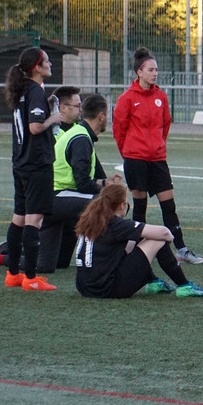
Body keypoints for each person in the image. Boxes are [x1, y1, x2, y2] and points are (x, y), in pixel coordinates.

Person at [113, 47, 203, 265]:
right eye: (151, 70)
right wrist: (129, 153)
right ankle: (136, 249)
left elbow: (165, 124)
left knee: (168, 205)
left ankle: (181, 249)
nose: (155, 73)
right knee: (140, 205)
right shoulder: (127, 98)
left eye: (156, 70)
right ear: (139, 72)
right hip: (135, 159)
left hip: (157, 159)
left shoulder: (160, 96)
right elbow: (119, 129)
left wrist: (158, 145)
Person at [74, 183, 203, 299]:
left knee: (136, 240)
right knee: (158, 240)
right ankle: (184, 285)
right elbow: (163, 233)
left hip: (85, 288)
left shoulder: (92, 221)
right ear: (122, 205)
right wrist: (169, 237)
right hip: (107, 290)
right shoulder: (116, 224)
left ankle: (152, 281)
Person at [37, 93, 123, 273]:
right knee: (109, 203)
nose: (108, 118)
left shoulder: (81, 134)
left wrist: (104, 182)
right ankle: (111, 256)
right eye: (108, 114)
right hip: (57, 198)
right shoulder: (81, 139)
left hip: (57, 197)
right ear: (101, 116)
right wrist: (106, 190)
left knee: (50, 264)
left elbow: (81, 180)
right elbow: (83, 185)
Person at [2, 47, 61, 291]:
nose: (50, 65)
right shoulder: (35, 90)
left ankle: (13, 273)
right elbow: (35, 127)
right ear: (37, 67)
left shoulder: (23, 90)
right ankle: (31, 278)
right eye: (46, 61)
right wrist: (53, 118)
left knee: (19, 217)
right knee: (34, 219)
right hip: (36, 163)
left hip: (20, 162)